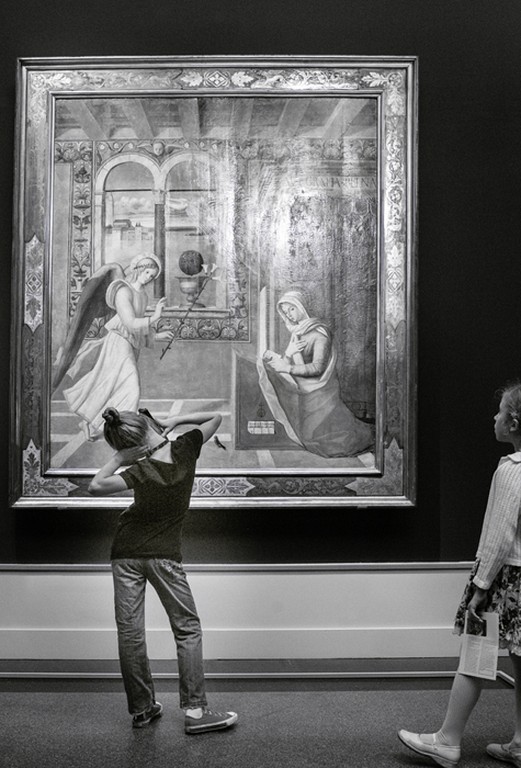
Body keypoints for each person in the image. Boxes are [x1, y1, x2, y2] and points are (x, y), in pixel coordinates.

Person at [88, 405, 238, 734]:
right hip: (164, 556)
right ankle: (195, 712)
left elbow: (96, 486)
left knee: (130, 633)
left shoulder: (138, 470)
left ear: (126, 444)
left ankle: (142, 710)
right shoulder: (185, 448)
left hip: (125, 553)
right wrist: (174, 421)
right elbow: (215, 418)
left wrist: (120, 458)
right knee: (187, 629)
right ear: (148, 425)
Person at [398, 382, 521, 767]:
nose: (494, 417)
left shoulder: (512, 470)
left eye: (500, 411)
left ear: (514, 423)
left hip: (506, 578)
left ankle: (447, 740)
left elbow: (499, 536)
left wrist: (481, 586)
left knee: (476, 653)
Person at [60, 253, 172, 441]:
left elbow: (137, 328)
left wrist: (157, 335)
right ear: (137, 269)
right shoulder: (123, 291)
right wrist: (155, 317)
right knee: (132, 386)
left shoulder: (143, 296)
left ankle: (88, 422)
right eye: (146, 272)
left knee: (110, 385)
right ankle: (128, 431)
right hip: (118, 343)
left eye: (152, 276)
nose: (148, 278)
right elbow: (130, 323)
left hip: (131, 344)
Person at [258, 290, 373, 458]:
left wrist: (287, 368)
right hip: (304, 392)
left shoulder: (320, 336)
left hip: (321, 392)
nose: (288, 314)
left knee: (320, 440)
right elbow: (288, 361)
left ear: (302, 307)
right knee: (306, 436)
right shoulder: (297, 332)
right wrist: (288, 354)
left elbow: (318, 368)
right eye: (285, 311)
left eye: (292, 309)